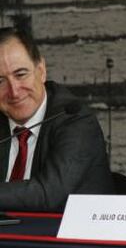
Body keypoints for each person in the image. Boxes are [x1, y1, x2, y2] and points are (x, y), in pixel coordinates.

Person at [0, 27, 114, 211]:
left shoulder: (76, 120)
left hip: (71, 237)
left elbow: (48, 194)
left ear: (41, 70)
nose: (13, 90)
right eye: (0, 81)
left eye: (21, 74)